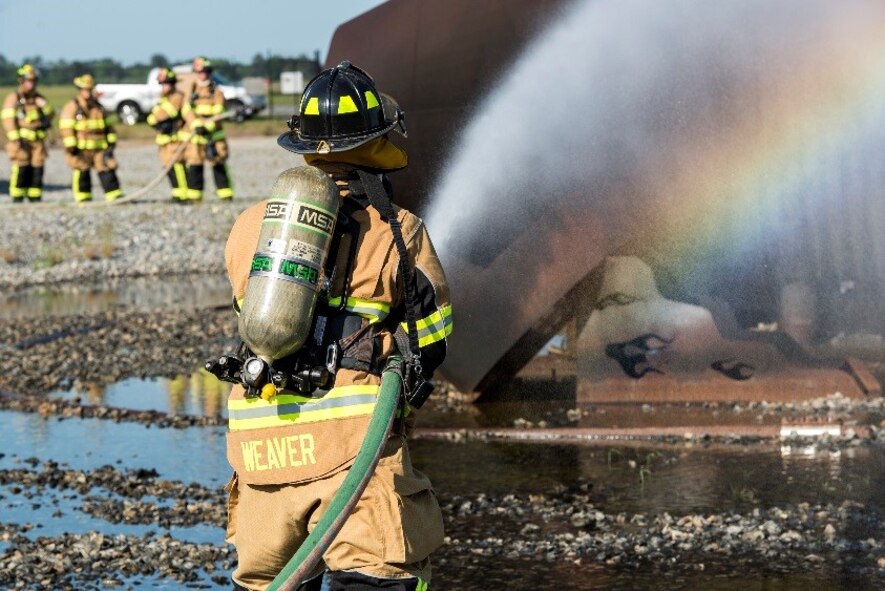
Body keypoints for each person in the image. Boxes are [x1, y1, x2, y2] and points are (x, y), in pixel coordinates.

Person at [222, 61, 452, 591]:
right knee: (380, 576)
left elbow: (250, 319)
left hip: (264, 456)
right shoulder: (398, 230)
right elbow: (433, 335)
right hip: (355, 459)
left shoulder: (251, 226)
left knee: (266, 581)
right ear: (374, 137)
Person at [58, 74, 123, 202]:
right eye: (84, 89)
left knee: (107, 171)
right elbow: (66, 127)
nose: (87, 92)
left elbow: (109, 127)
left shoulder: (99, 107)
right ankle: (83, 199)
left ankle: (115, 197)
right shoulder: (72, 107)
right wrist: (71, 146)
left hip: (100, 148)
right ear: (79, 90)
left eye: (89, 89)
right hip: (81, 149)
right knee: (82, 172)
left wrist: (111, 143)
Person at [182, 56, 233, 200]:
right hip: (195, 135)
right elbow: (186, 109)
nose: (203, 75)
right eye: (200, 72)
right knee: (195, 165)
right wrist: (195, 124)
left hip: (213, 136)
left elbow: (219, 112)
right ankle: (195, 198)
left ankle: (226, 195)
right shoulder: (190, 90)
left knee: (218, 164)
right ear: (195, 73)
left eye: (206, 71)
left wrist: (208, 126)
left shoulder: (217, 92)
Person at [2, 64, 53, 202]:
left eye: (33, 80)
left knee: (37, 168)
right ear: (21, 81)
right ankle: (17, 197)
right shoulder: (14, 98)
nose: (31, 83)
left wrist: (45, 107)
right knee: (21, 168)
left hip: (38, 141)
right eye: (28, 80)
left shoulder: (39, 99)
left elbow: (49, 117)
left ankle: (35, 197)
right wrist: (15, 138)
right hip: (21, 141)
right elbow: (7, 119)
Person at [146, 68, 187, 201]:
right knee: (168, 168)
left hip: (175, 139)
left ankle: (184, 194)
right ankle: (176, 194)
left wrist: (155, 116)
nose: (164, 87)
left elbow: (165, 113)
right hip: (164, 139)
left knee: (178, 166)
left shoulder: (177, 96)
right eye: (162, 84)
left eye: (166, 84)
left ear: (173, 83)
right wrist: (155, 117)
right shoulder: (162, 97)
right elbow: (152, 118)